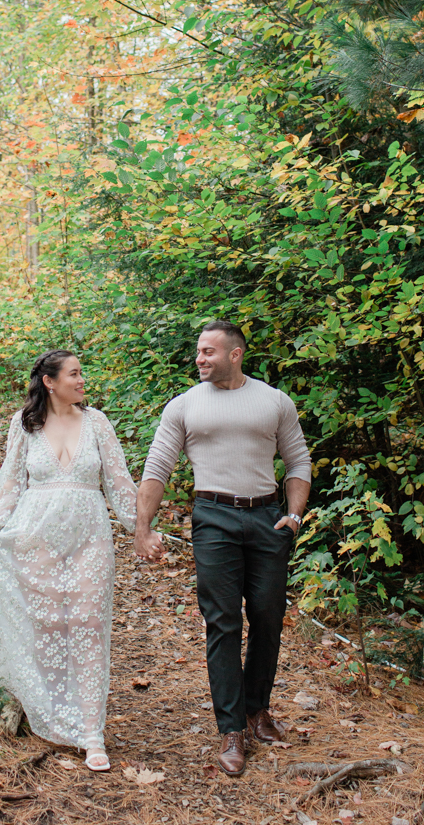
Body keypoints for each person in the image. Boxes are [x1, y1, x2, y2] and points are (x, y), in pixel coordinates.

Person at [134, 320, 311, 777]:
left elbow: (297, 460)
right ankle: (231, 729)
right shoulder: (184, 407)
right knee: (223, 621)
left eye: (208, 351)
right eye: (198, 351)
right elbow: (158, 467)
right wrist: (142, 526)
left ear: (235, 354)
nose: (199, 359)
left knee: (269, 615)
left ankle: (257, 711)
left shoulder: (274, 401)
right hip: (213, 518)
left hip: (267, 517)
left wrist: (293, 515)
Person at [0, 349, 137, 772]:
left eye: (81, 373)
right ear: (50, 381)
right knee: (46, 623)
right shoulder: (25, 425)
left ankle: (91, 733)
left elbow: (118, 481)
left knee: (87, 623)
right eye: (75, 374)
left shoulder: (97, 423)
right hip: (35, 535)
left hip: (89, 536)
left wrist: (142, 529)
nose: (82, 380)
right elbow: (10, 480)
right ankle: (49, 709)